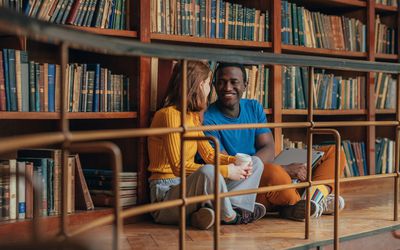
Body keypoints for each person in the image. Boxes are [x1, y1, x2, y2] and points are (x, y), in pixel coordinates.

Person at [203, 62, 347, 221]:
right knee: (276, 175)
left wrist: (280, 167)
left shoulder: (253, 106)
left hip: (265, 165)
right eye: (222, 82)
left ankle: (311, 201)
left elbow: (269, 147)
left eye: (234, 82)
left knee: (334, 152)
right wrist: (283, 169)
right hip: (243, 183)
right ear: (214, 85)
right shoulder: (208, 119)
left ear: (245, 84)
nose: (227, 87)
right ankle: (306, 203)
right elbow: (228, 167)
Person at [147, 61, 266, 230]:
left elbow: (209, 155)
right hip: (166, 195)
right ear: (200, 85)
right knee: (209, 170)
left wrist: (235, 162)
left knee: (255, 162)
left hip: (190, 191)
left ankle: (214, 210)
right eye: (209, 84)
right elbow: (178, 166)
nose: (210, 90)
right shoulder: (169, 115)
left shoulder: (192, 117)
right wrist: (226, 171)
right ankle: (230, 216)